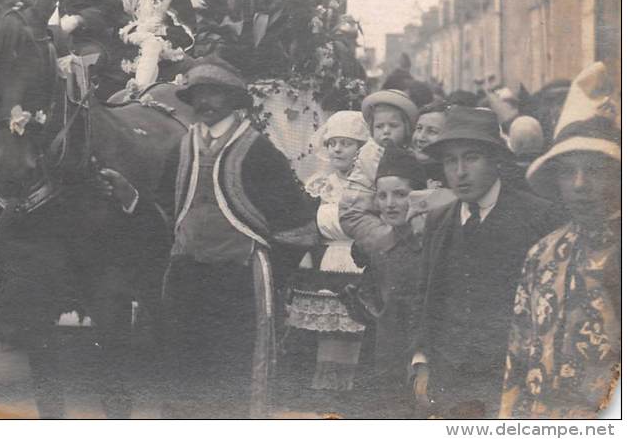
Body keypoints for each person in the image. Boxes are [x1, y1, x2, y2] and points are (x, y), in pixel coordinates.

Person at [97, 56, 309, 418]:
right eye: (197, 95)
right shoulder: (183, 147)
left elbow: (297, 224)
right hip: (186, 279)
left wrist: (271, 275)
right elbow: (164, 211)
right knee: (182, 372)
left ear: (233, 99)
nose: (204, 103)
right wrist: (129, 195)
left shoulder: (259, 150)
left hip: (237, 283)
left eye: (214, 94)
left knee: (230, 378)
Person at [411, 106, 562, 419]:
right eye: (451, 160)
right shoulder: (440, 221)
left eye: (471, 158)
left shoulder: (538, 217)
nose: (460, 171)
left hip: (512, 381)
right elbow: (426, 296)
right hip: (450, 380)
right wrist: (421, 361)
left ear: (496, 160)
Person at [500, 63, 620, 419]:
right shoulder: (543, 253)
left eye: (595, 170)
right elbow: (518, 353)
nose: (580, 184)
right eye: (568, 171)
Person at [284, 111, 371, 391]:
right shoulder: (320, 185)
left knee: (357, 324)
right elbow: (309, 229)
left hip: (361, 263)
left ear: (361, 148)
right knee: (325, 327)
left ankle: (353, 390)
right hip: (326, 261)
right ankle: (322, 390)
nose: (337, 149)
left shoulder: (368, 186)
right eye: (332, 143)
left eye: (346, 143)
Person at [367, 147, 428, 418]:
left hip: (424, 349)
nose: (390, 203)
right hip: (388, 353)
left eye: (400, 194)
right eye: (382, 195)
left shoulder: (430, 243)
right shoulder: (380, 245)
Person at [339, 89, 420, 258]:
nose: (386, 131)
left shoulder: (413, 152)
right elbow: (353, 207)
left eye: (393, 125)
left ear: (407, 128)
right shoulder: (369, 156)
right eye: (379, 126)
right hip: (377, 221)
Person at [117, 0, 194, 92]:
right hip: (131, 42)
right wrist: (137, 28)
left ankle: (139, 89)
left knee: (153, 44)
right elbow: (118, 20)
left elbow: (187, 32)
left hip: (165, 48)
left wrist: (162, 32)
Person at [412, 101, 449, 187]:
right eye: (419, 128)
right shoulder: (404, 171)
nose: (420, 138)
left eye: (432, 131)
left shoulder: (453, 181)